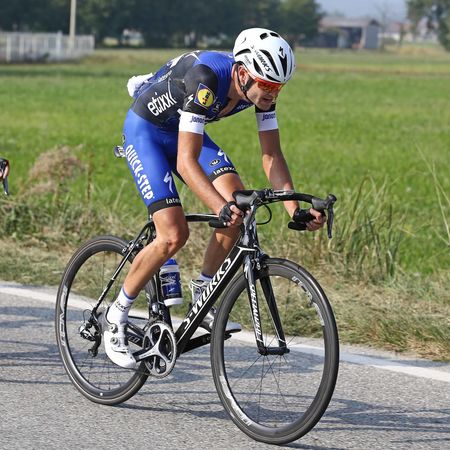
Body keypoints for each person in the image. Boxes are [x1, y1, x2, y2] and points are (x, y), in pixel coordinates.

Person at [104, 28, 326, 368]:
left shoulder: (262, 90)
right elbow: (186, 161)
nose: (272, 93)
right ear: (242, 73)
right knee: (173, 234)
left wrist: (293, 209)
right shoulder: (207, 79)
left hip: (182, 130)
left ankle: (203, 293)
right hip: (146, 131)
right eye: (266, 85)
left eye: (278, 87)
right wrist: (219, 207)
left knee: (240, 208)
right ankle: (116, 316)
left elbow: (272, 156)